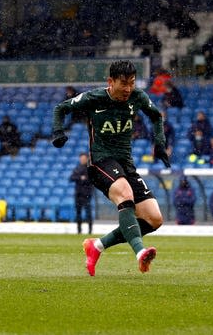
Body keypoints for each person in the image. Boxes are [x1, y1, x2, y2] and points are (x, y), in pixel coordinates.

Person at [51, 60, 171, 276]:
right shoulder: (94, 98)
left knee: (154, 219)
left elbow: (155, 115)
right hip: (101, 162)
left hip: (125, 164)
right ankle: (140, 252)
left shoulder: (137, 97)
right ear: (111, 81)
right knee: (125, 195)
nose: (128, 89)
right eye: (123, 83)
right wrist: (58, 131)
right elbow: (61, 108)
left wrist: (160, 143)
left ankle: (96, 246)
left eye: (132, 83)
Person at [69, 152, 94, 234]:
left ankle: (90, 230)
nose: (82, 160)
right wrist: (80, 177)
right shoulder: (77, 168)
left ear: (87, 159)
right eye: (81, 158)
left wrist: (82, 178)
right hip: (78, 194)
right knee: (78, 213)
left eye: (83, 158)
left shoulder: (90, 168)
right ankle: (79, 230)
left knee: (88, 213)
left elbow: (90, 179)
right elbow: (71, 178)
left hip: (86, 194)